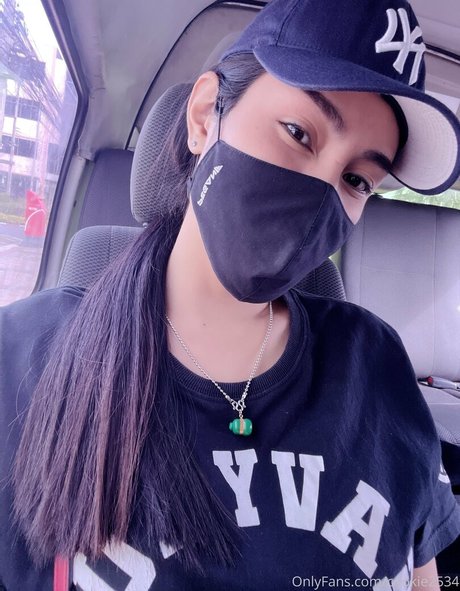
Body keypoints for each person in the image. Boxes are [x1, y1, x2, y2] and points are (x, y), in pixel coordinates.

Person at [1, 0, 460, 589]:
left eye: (356, 180)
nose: (320, 191)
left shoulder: (376, 365)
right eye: (298, 133)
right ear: (203, 117)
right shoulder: (19, 359)